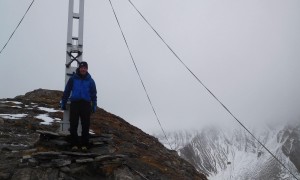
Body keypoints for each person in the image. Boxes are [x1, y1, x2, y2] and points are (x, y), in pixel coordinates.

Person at [61, 61, 97, 152]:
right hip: (75, 103)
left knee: (85, 124)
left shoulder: (90, 80)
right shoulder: (73, 79)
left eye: (85, 68)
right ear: (79, 68)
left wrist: (94, 104)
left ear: (87, 69)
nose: (83, 69)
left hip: (86, 104)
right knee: (73, 124)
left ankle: (85, 144)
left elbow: (93, 94)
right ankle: (74, 144)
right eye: (82, 68)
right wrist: (64, 101)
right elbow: (67, 91)